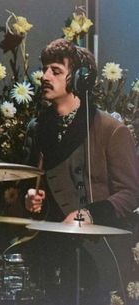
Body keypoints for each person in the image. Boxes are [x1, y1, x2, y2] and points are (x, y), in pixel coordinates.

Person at [22, 38, 139, 305]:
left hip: (100, 255)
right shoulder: (37, 129)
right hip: (53, 254)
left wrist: (89, 213)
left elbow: (131, 193)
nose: (45, 77)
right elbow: (29, 183)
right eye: (44, 69)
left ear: (78, 80)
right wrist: (29, 200)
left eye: (56, 71)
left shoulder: (111, 130)